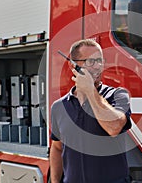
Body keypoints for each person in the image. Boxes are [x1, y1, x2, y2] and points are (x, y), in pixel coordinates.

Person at [50, 39, 132, 183]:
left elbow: (114, 128)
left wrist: (90, 91)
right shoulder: (59, 107)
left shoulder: (118, 95)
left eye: (100, 61)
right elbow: (57, 148)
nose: (98, 66)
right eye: (91, 62)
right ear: (73, 65)